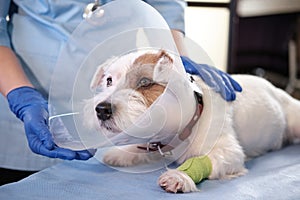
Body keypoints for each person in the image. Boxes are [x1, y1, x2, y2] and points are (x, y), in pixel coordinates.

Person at [0, 0, 242, 185]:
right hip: (21, 103)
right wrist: (21, 95)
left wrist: (177, 61)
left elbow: (166, 6)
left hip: (126, 128)